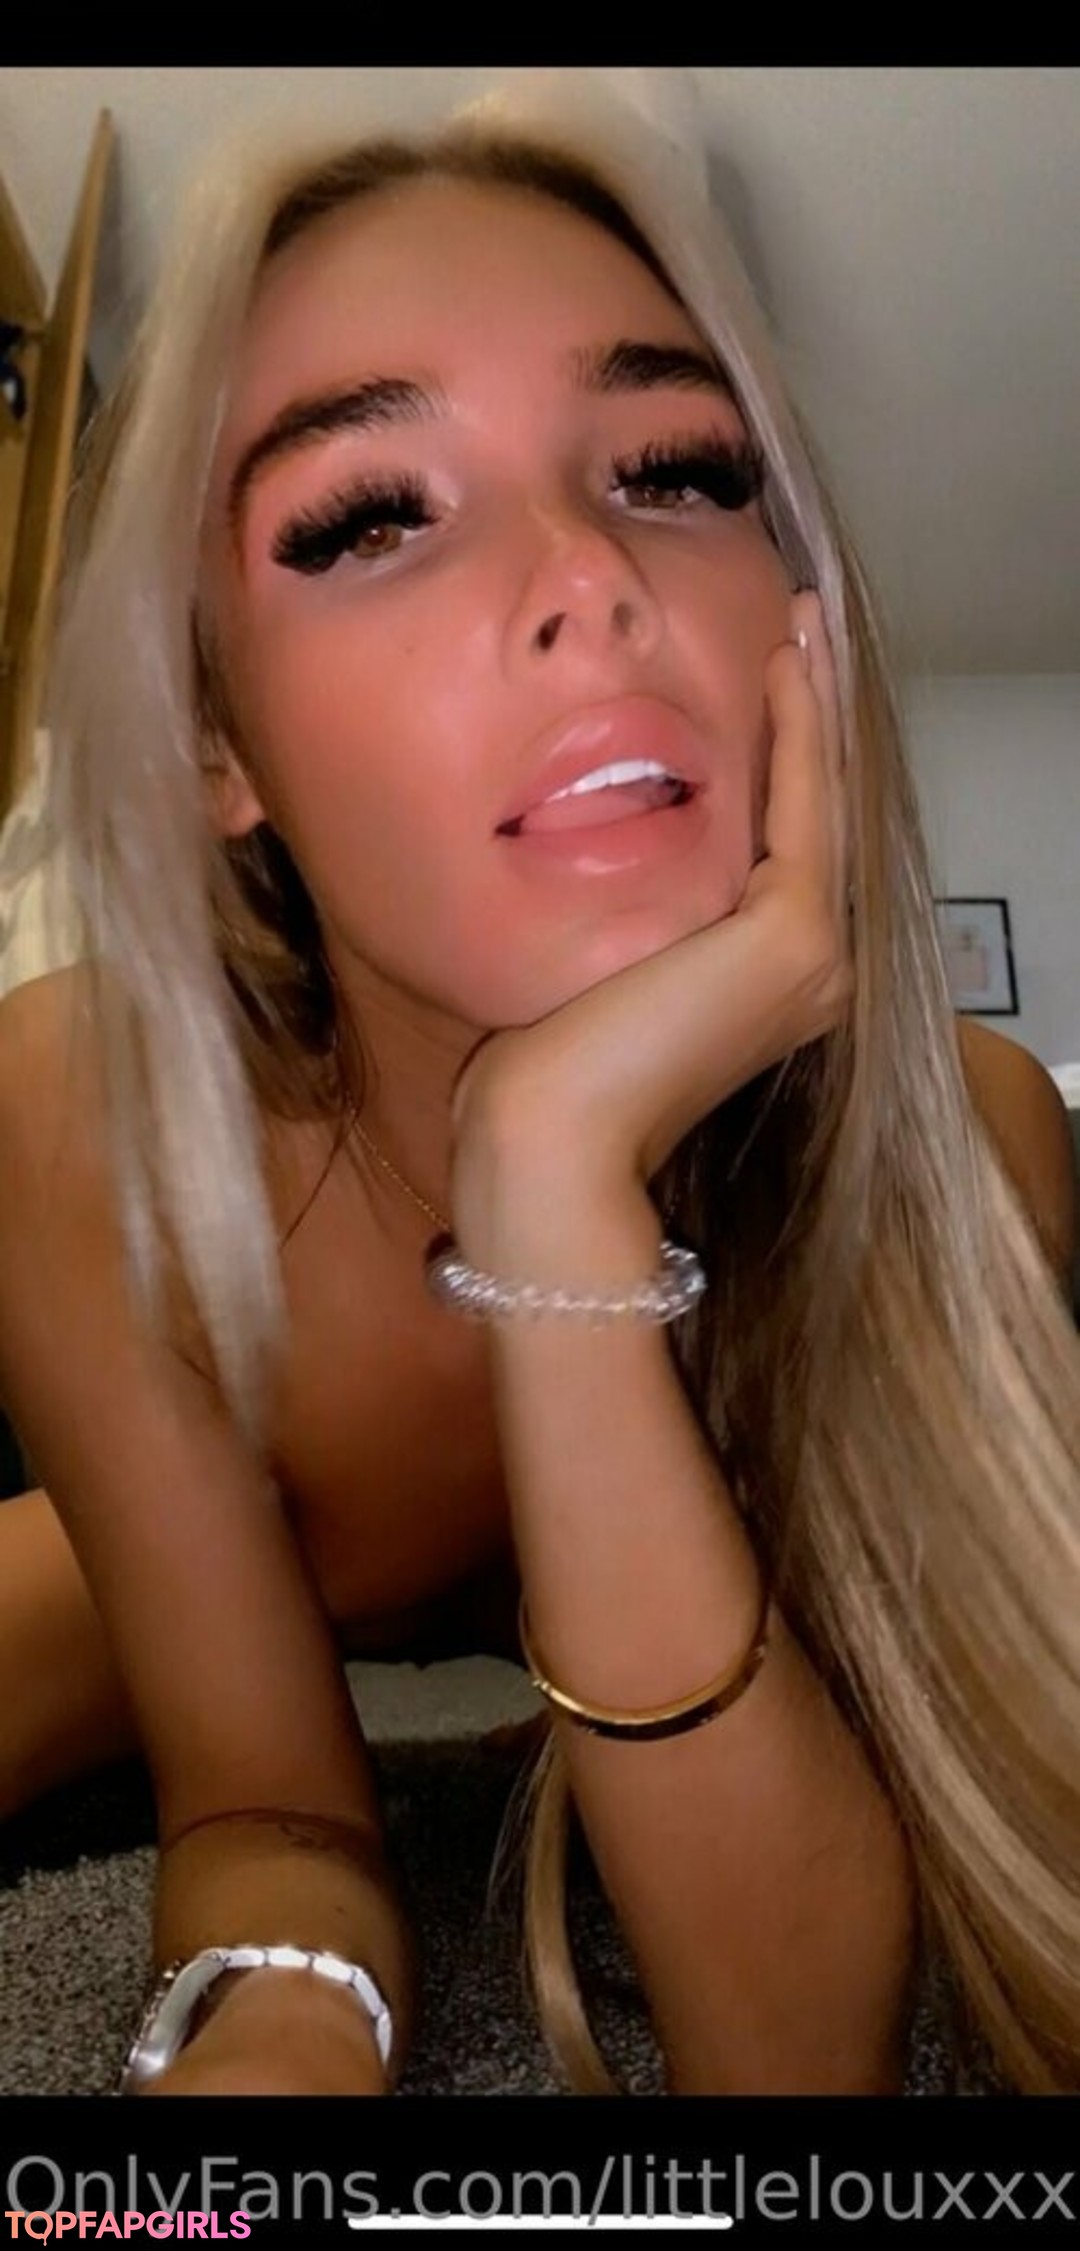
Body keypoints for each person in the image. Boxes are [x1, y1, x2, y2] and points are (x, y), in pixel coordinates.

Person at [0, 69, 1077, 2101]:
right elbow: (269, 1815)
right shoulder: (91, 1117)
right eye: (370, 517)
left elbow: (795, 2062)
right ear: (220, 744)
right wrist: (281, 2047)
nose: (589, 573)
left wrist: (556, 1171)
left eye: (674, 468)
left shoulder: (978, 1143)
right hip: (170, 1553)